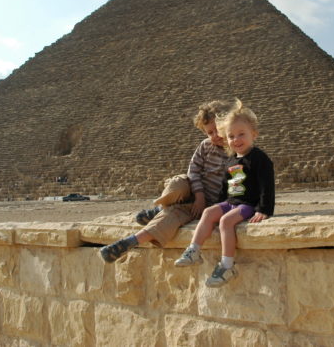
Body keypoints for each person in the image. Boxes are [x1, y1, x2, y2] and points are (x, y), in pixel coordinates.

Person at [99, 100, 232, 263]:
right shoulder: (205, 146)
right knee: (177, 185)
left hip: (209, 204)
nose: (215, 135)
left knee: (172, 216)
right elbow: (193, 171)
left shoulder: (237, 149)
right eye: (210, 132)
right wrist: (199, 195)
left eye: (217, 129)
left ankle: (129, 242)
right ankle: (160, 207)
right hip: (193, 189)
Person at [175, 99, 275, 287]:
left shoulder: (259, 158)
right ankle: (193, 250)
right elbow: (225, 186)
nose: (236, 140)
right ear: (226, 139)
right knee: (208, 212)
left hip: (247, 205)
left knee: (226, 221)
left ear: (254, 134)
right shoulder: (232, 159)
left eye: (241, 134)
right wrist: (218, 206)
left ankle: (227, 265)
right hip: (231, 203)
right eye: (231, 136)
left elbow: (267, 185)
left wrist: (264, 209)